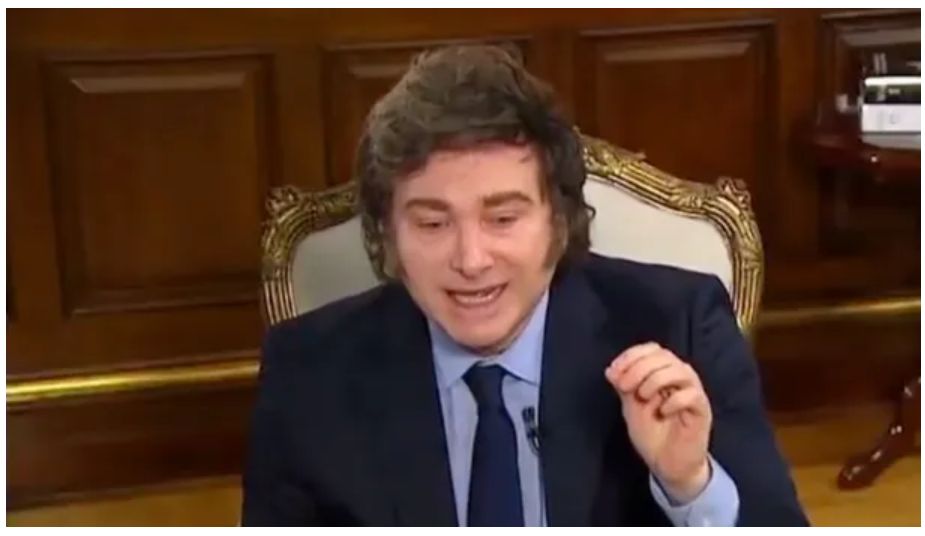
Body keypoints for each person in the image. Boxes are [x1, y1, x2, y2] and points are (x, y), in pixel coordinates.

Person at [242, 44, 808, 527]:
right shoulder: (308, 373)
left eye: (503, 218)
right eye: (433, 224)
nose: (471, 260)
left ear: (559, 222)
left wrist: (690, 484)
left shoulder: (678, 325)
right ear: (388, 236)